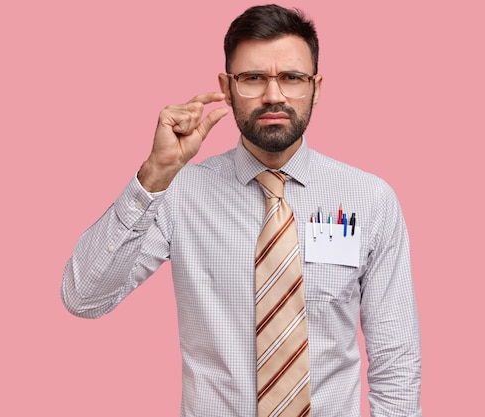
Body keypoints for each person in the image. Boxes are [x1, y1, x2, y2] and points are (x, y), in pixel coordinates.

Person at [61, 4, 422, 416]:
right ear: (227, 86)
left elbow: (396, 360)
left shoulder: (370, 199)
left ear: (316, 87)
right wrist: (154, 176)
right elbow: (84, 298)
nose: (273, 95)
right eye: (252, 78)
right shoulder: (179, 193)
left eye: (291, 78)